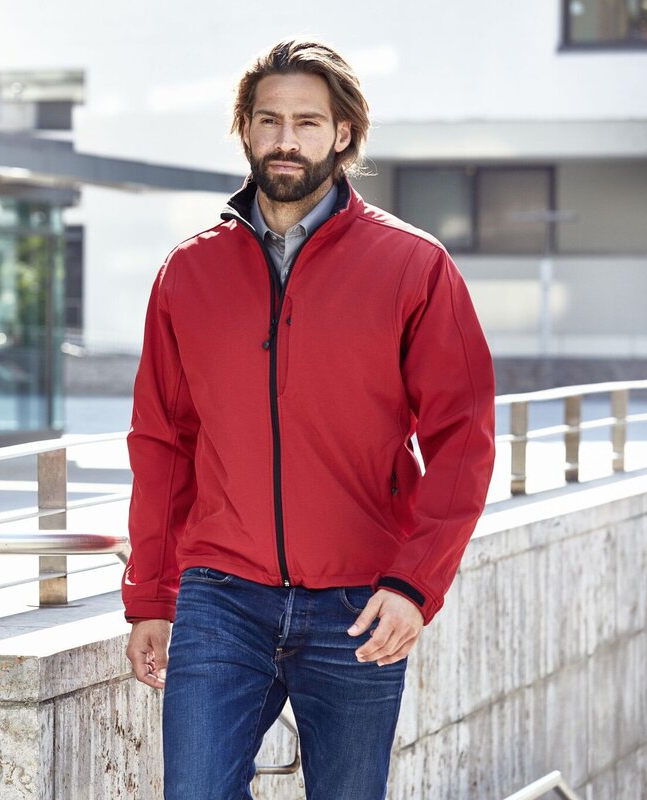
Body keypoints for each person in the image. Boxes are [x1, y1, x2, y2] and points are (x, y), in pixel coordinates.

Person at [122, 39, 496, 799]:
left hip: (360, 602)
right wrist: (152, 597)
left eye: (307, 122)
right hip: (222, 595)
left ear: (343, 133)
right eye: (268, 121)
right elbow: (163, 443)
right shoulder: (188, 271)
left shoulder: (413, 266)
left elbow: (464, 439)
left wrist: (414, 584)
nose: (285, 139)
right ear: (245, 129)